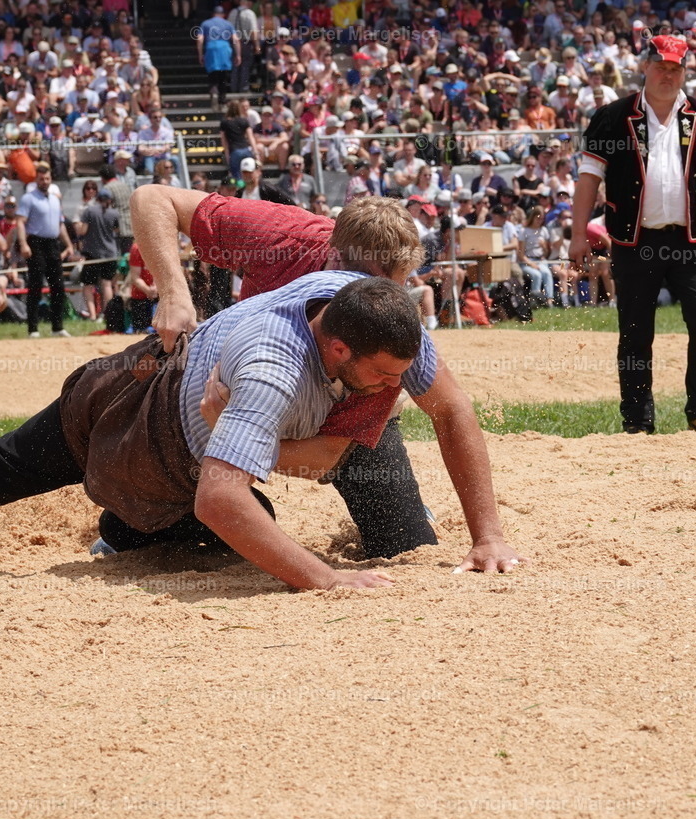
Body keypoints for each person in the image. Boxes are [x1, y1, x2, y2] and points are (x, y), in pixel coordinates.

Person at [0, 275, 521, 587]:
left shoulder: (374, 313)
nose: (397, 388)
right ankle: (127, 522)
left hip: (186, 446)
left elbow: (452, 411)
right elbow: (219, 499)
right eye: (386, 377)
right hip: (128, 415)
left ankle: (127, 527)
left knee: (244, 514)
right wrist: (325, 578)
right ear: (338, 346)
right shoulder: (273, 366)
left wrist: (488, 536)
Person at [129, 187, 523, 571]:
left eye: (397, 283)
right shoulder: (283, 235)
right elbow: (151, 198)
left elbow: (449, 409)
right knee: (178, 496)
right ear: (333, 253)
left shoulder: (389, 319)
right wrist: (173, 290)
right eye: (368, 279)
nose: (379, 295)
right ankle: (128, 531)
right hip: (243, 389)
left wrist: (487, 537)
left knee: (403, 544)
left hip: (350, 404)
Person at [571, 34, 696, 434]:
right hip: (634, 241)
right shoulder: (611, 116)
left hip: (692, 241)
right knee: (634, 332)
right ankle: (638, 421)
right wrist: (579, 235)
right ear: (645, 67)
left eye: (675, 69)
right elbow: (588, 179)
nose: (668, 75)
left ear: (685, 72)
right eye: (661, 67)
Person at [15, 161, 75, 339]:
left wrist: (69, 244)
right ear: (36, 179)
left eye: (47, 178)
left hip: (53, 243)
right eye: (42, 179)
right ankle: (33, 329)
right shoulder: (29, 198)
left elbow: (60, 224)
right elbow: (20, 222)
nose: (45, 181)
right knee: (36, 286)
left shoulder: (55, 199)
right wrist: (23, 244)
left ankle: (58, 327)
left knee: (58, 286)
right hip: (36, 243)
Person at [76, 187, 119, 323]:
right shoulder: (114, 213)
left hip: (92, 253)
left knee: (88, 285)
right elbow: (116, 230)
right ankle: (107, 315)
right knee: (107, 284)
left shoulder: (89, 211)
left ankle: (93, 315)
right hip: (110, 253)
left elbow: (83, 231)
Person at [197, 5, 240, 114]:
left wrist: (200, 54)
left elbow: (200, 40)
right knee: (223, 78)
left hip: (211, 49)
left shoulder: (205, 23)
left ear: (213, 14)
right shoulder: (228, 24)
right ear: (223, 15)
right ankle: (222, 101)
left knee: (212, 75)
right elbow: (235, 39)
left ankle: (214, 93)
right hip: (224, 49)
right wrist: (238, 54)